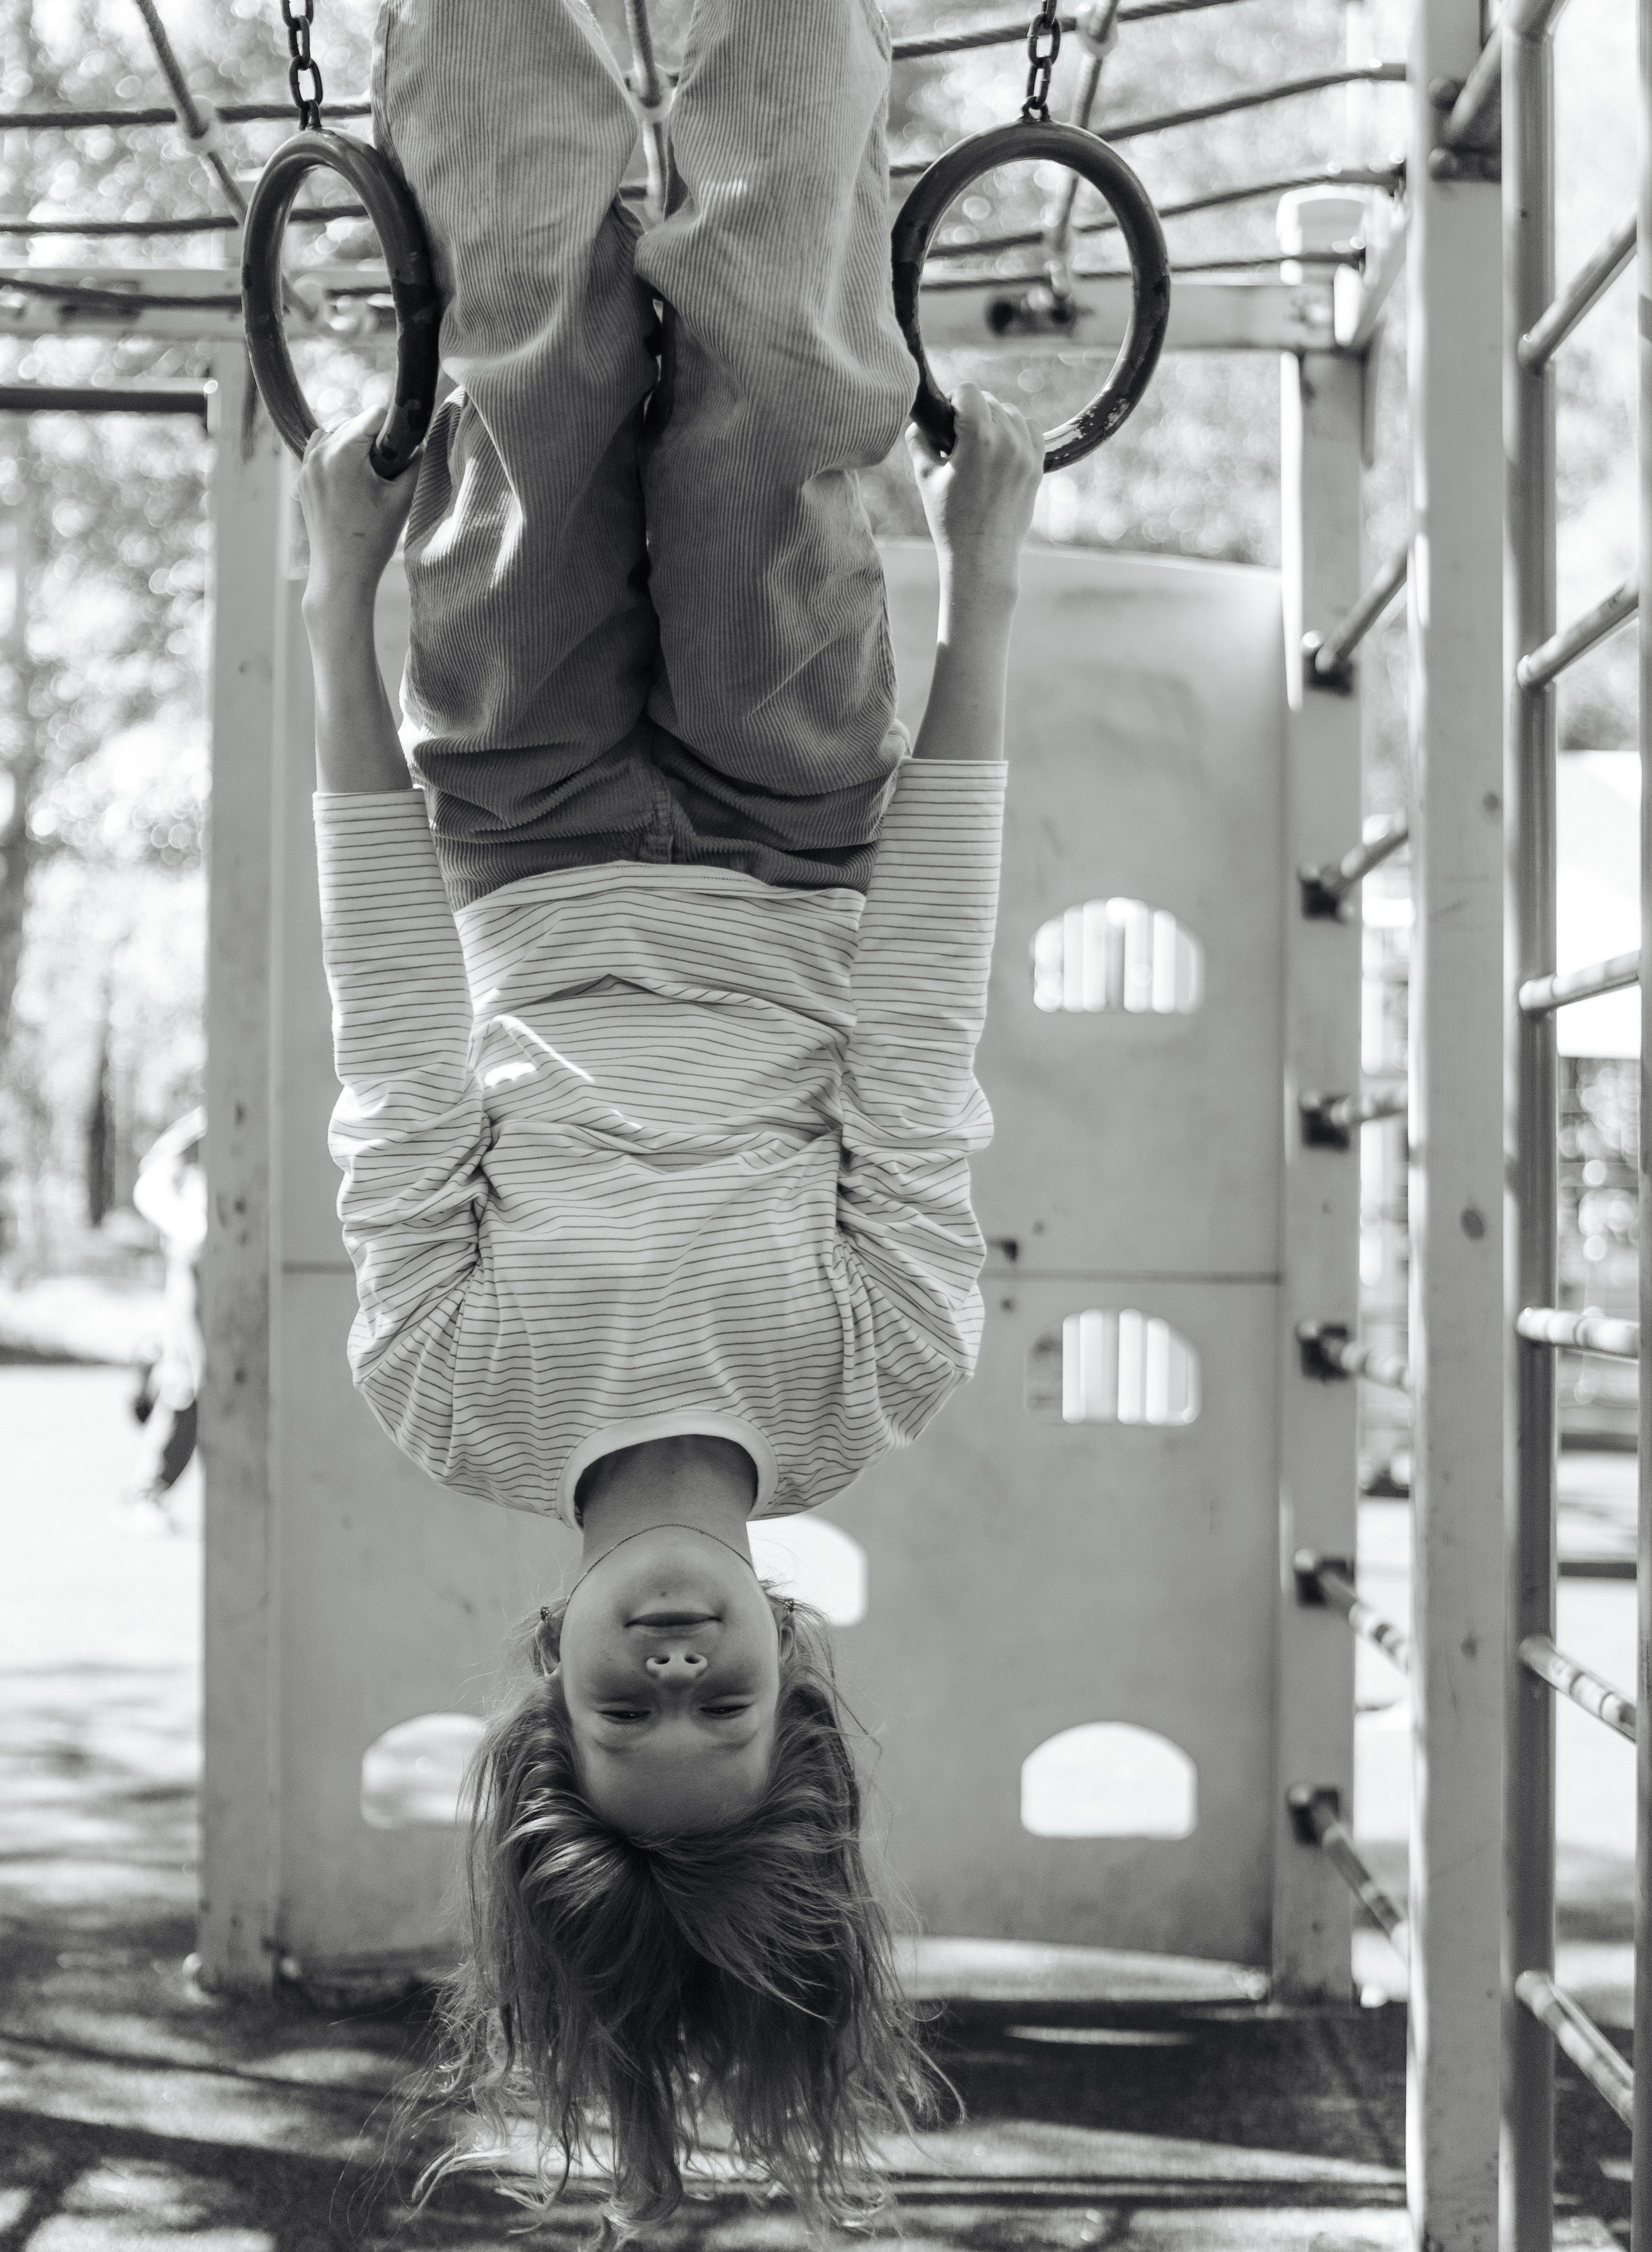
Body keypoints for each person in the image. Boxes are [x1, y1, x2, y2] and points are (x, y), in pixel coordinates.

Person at [298, 0, 1041, 2230]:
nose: (684, 1674)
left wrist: (333, 592)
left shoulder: (449, 1386)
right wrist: (986, 579)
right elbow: (919, 1018)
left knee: (525, 366)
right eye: (729, 1720)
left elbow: (395, 1020)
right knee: (788, 409)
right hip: (792, 820)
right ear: (795, 1687)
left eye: (636, 1731)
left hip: (516, 824)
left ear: (558, 1702)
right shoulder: (877, 1364)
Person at [120, 1106, 205, 1535]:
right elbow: (152, 1178)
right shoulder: (203, 1128)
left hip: (217, 1271)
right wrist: (192, 1230)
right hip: (196, 1272)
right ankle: (144, 1495)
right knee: (184, 1387)